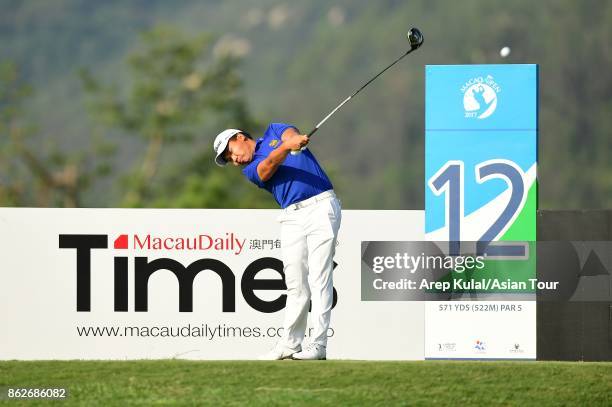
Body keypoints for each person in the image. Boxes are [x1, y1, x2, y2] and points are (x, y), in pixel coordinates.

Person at [213, 123, 341, 360]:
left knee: (320, 276)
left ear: (240, 137)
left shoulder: (274, 130)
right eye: (228, 159)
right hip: (291, 215)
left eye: (230, 151)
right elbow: (268, 167)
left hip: (321, 206)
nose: (234, 159)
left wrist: (294, 141)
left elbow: (289, 134)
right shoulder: (250, 169)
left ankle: (318, 345)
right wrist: (286, 147)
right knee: (295, 282)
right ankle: (291, 344)